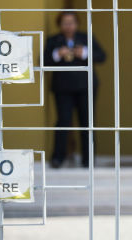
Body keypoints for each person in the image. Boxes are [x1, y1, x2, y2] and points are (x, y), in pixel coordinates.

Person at [44, 11, 106, 168]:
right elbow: (43, 61)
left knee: (87, 122)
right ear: (60, 24)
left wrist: (84, 53)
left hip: (85, 86)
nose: (68, 25)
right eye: (65, 22)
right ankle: (58, 158)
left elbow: (102, 56)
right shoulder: (54, 40)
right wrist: (57, 54)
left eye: (71, 22)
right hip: (62, 87)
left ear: (77, 23)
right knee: (63, 122)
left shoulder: (86, 38)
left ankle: (88, 159)